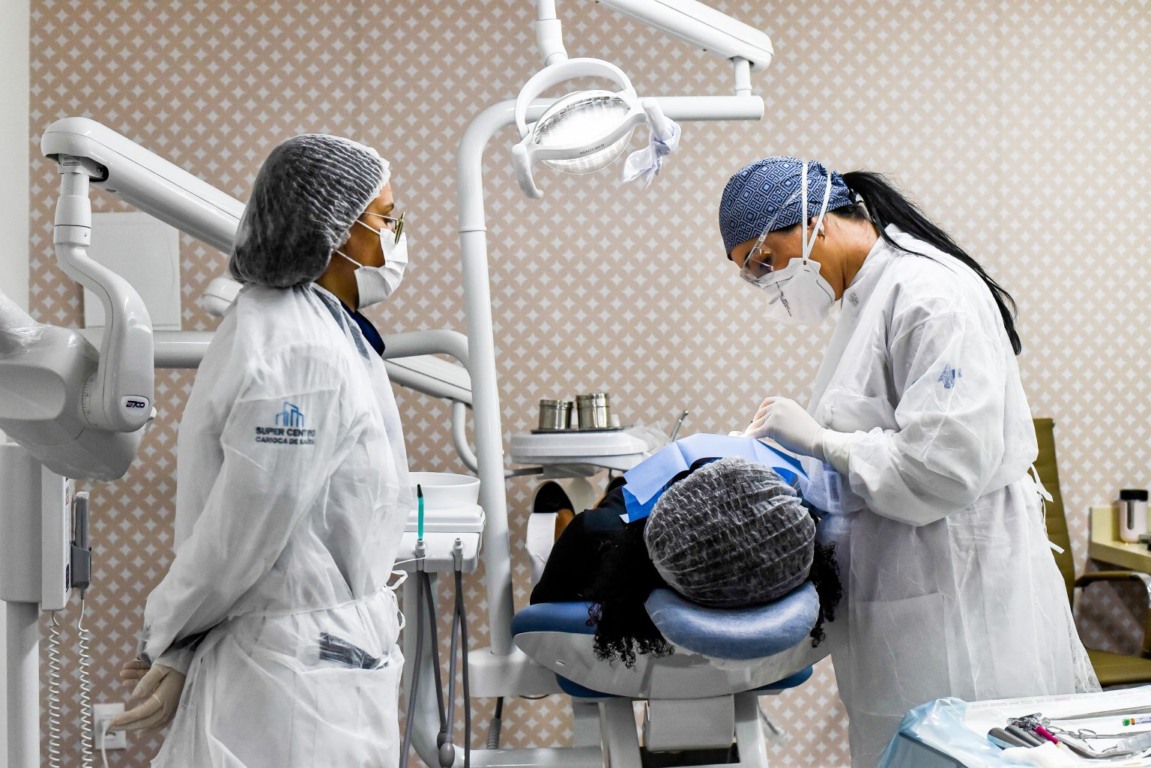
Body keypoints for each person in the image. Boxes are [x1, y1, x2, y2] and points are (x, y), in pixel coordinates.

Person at [718, 156, 1098, 767]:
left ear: (814, 223)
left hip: (961, 592)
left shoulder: (929, 294)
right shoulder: (868, 298)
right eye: (750, 274)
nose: (766, 282)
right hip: (906, 588)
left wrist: (820, 442)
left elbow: (943, 466)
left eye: (765, 261)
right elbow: (873, 438)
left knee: (967, 749)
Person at [110, 134, 412, 767]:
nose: (395, 235)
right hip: (295, 669)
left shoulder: (313, 327)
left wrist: (177, 639)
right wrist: (167, 637)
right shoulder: (301, 350)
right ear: (335, 230)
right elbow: (245, 527)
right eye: (386, 218)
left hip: (310, 655)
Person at [531, 456, 841, 668]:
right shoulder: (791, 543)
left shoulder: (596, 530)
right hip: (758, 669)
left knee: (618, 502)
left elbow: (544, 602)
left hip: (610, 544)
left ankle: (587, 508)